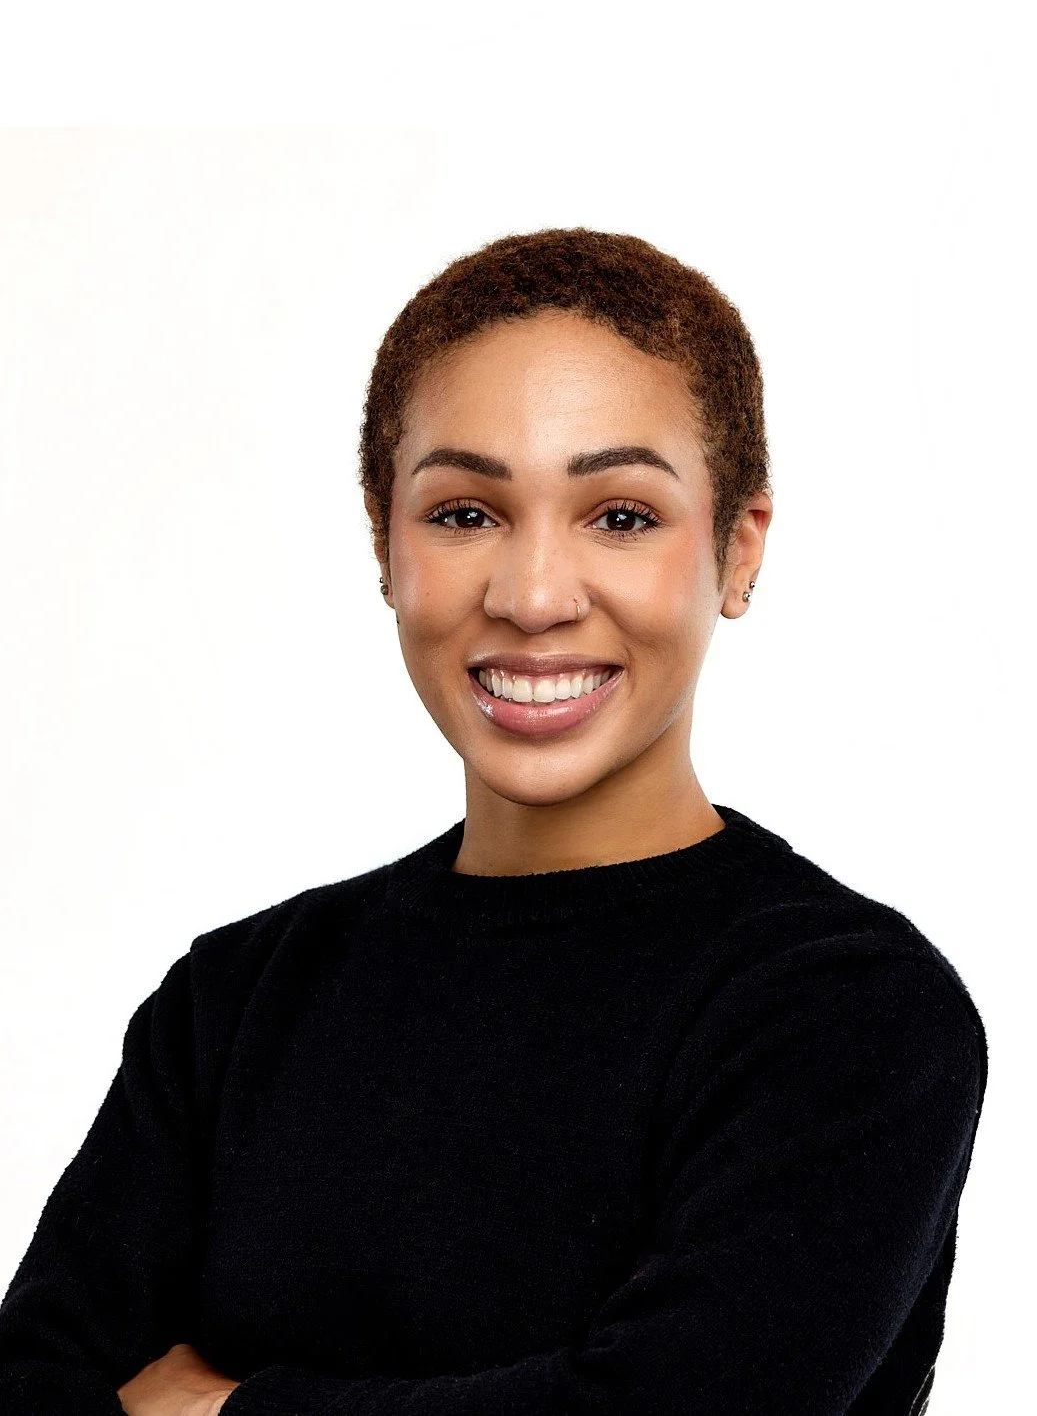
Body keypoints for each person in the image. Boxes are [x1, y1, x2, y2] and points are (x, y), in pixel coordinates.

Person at [0, 226, 986, 1415]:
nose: (529, 597)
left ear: (736, 548)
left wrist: (224, 1407)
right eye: (464, 512)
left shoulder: (844, 1009)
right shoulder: (238, 1001)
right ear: (383, 540)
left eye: (619, 515)